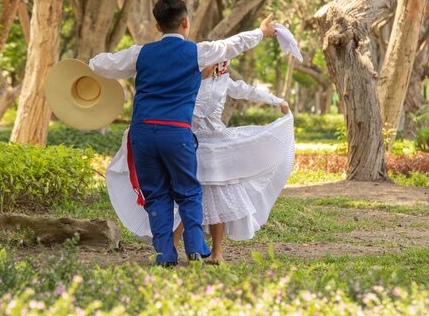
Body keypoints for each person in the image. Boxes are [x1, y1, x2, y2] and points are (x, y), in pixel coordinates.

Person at [89, 0, 276, 267]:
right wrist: (261, 32)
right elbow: (234, 44)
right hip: (176, 133)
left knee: (156, 194)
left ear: (157, 25)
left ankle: (165, 254)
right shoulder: (198, 52)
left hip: (142, 133)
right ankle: (196, 247)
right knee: (188, 190)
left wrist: (92, 63)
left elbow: (101, 64)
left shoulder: (139, 53)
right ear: (186, 22)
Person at [106, 61, 294, 264]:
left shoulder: (224, 81)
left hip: (216, 145)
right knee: (182, 197)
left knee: (218, 199)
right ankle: (171, 250)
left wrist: (277, 101)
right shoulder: (186, 80)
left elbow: (248, 91)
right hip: (188, 142)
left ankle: (217, 252)